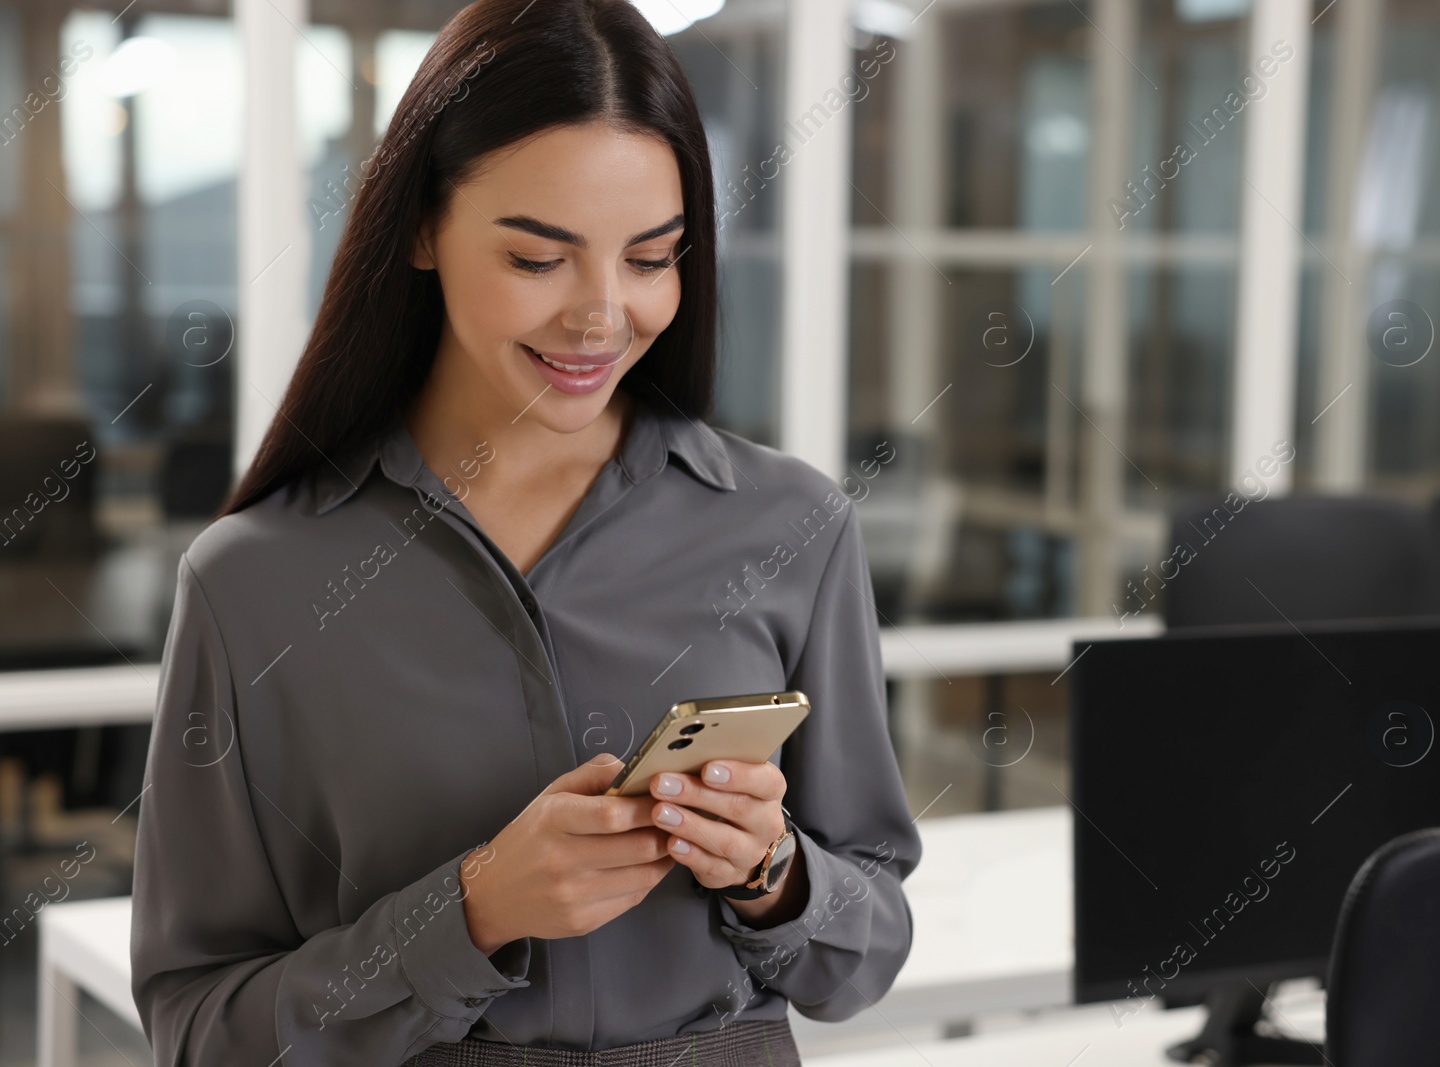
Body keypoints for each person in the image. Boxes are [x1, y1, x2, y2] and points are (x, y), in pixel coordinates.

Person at [127, 1, 921, 1064]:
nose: (601, 316)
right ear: (419, 227)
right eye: (539, 259)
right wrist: (468, 914)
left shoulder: (791, 526)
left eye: (651, 258)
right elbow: (197, 1030)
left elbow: (864, 953)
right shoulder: (253, 583)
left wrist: (773, 869)